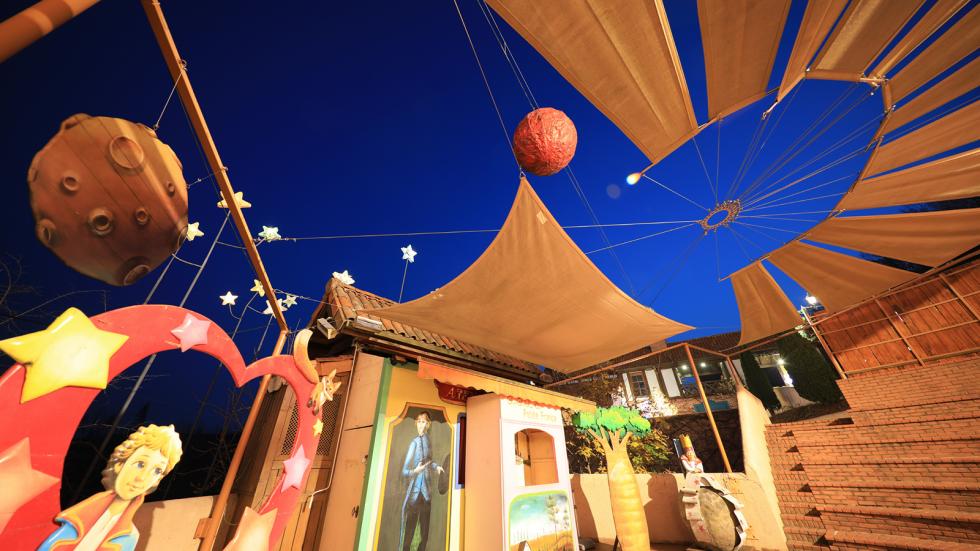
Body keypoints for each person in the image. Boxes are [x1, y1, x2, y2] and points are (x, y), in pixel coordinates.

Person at [38, 424, 182, 551]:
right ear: (120, 464)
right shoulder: (78, 517)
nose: (142, 478)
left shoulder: (129, 538)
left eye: (157, 471)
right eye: (140, 464)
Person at [399, 411, 444, 551]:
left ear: (428, 424)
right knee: (410, 531)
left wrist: (436, 467)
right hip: (414, 494)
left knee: (425, 533)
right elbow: (404, 471)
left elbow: (429, 462)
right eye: (419, 421)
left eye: (423, 422)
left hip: (426, 493)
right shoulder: (414, 443)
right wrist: (415, 471)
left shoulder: (428, 441)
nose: (421, 425)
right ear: (415, 423)